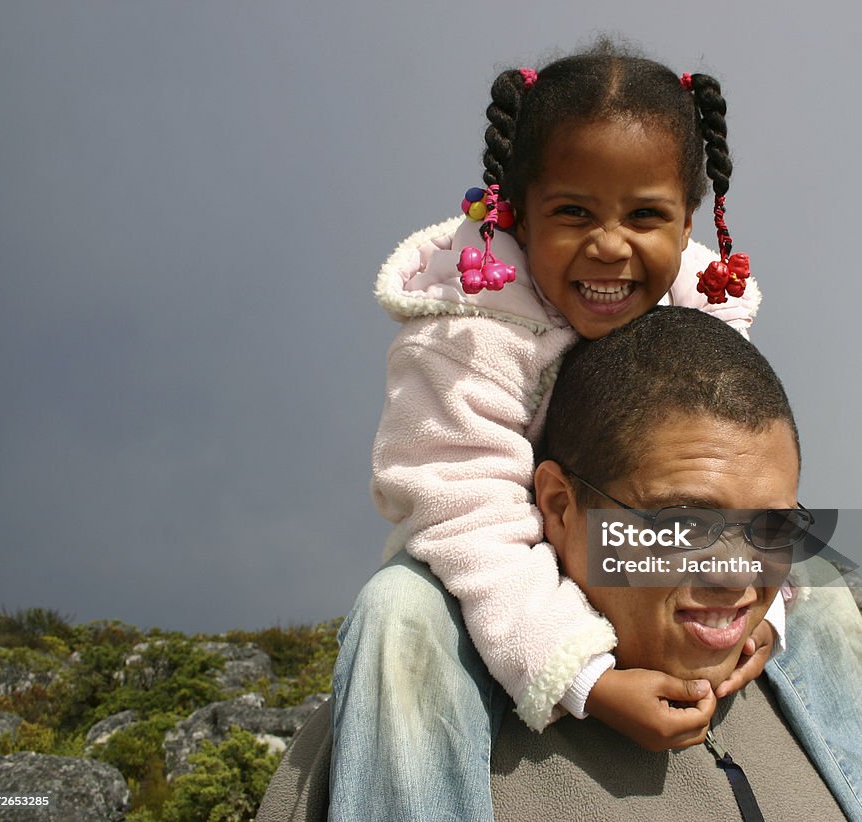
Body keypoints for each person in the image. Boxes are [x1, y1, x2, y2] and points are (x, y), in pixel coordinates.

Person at [257, 308, 862, 821]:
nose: (737, 575)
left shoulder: (813, 685)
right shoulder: (394, 725)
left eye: (770, 525)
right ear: (558, 505)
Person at [331, 41, 775, 822]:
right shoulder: (467, 333)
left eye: (645, 215)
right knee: (396, 611)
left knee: (825, 597)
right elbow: (460, 508)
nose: (610, 244)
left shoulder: (702, 317)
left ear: (687, 218)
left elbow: (748, 478)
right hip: (493, 571)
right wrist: (585, 677)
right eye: (573, 212)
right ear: (516, 208)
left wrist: (764, 612)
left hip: (629, 556)